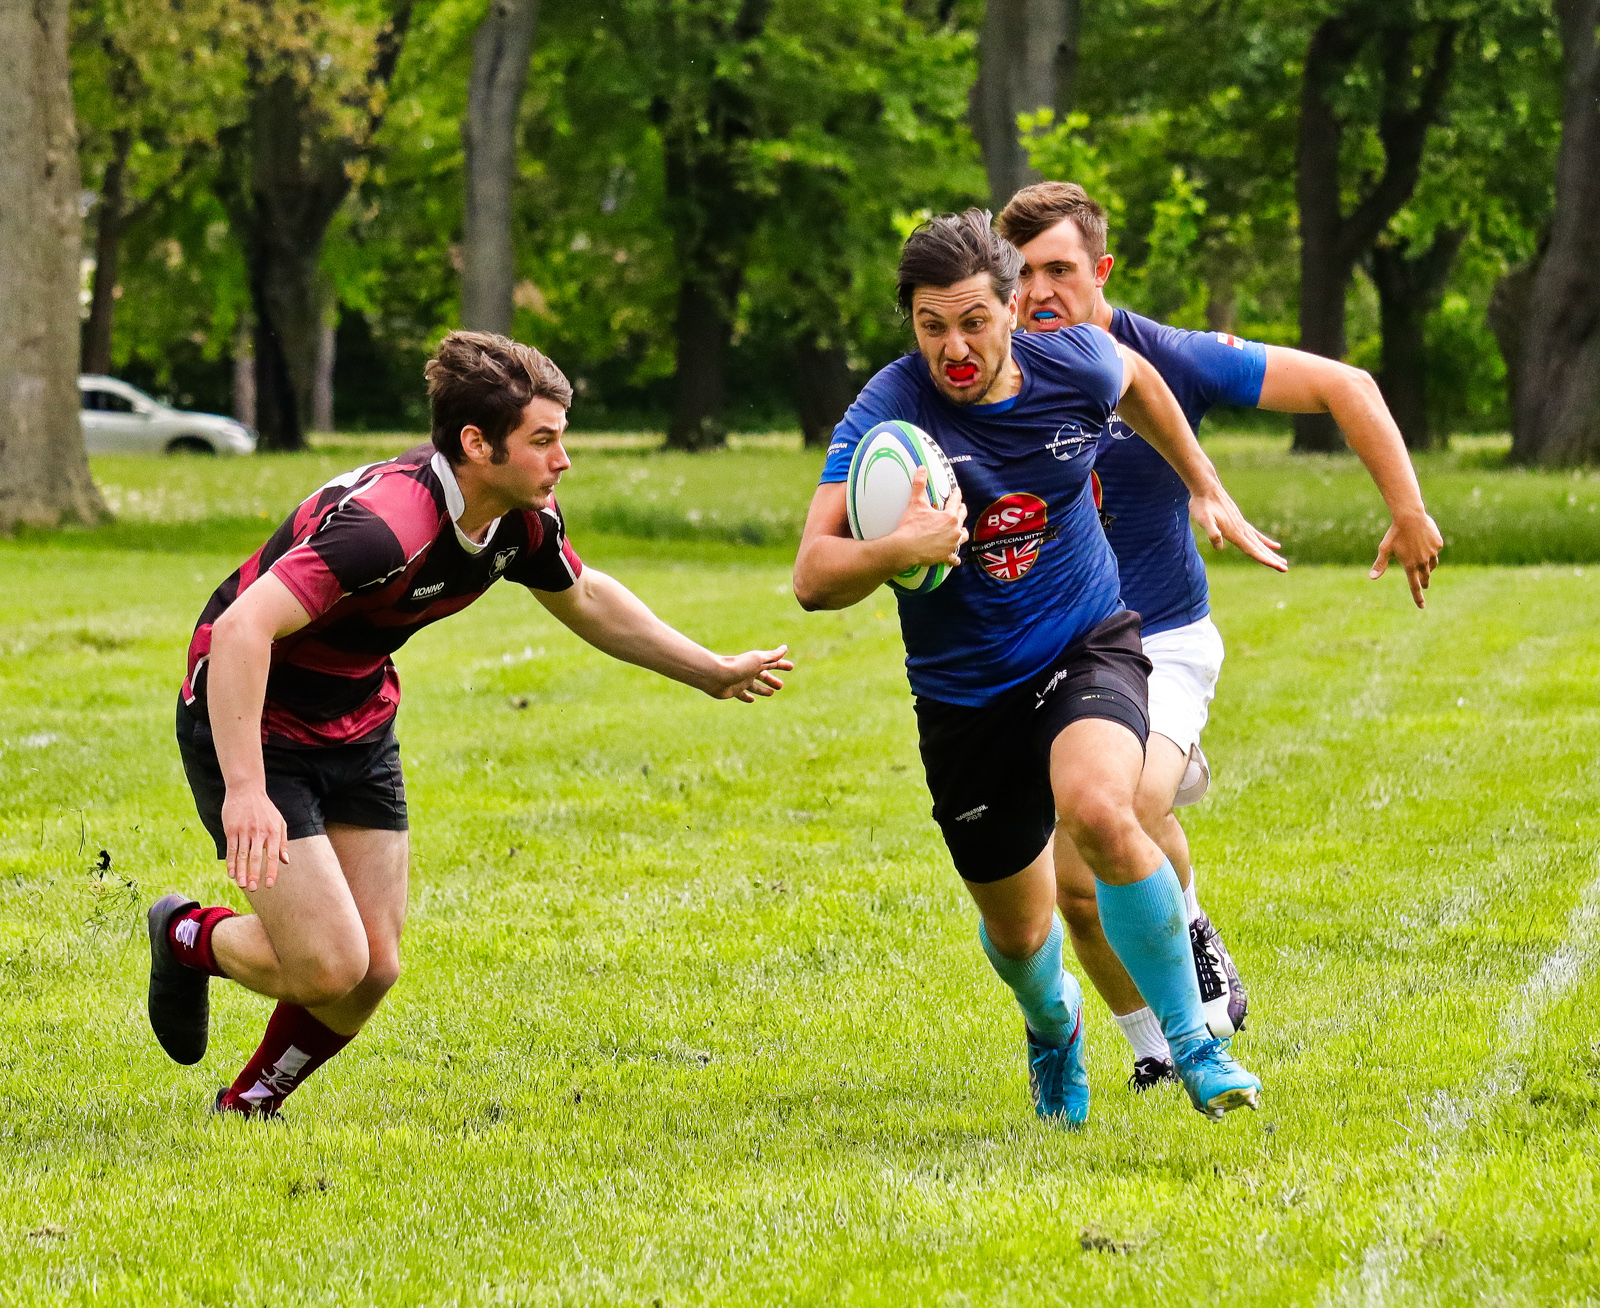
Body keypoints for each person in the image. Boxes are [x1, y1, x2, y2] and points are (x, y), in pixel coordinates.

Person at [146, 330, 793, 1118]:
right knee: (328, 966)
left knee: (376, 967)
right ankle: (183, 934)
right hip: (255, 720)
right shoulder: (385, 528)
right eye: (543, 441)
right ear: (478, 445)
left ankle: (247, 1106)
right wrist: (246, 790)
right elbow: (242, 629)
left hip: (357, 717)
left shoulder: (519, 521)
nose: (563, 461)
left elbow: (587, 597)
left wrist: (711, 671)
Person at [793, 210, 1288, 1125]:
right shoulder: (888, 410)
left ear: (1013, 309)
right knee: (1021, 936)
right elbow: (812, 577)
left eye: (974, 321)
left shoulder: (1076, 363)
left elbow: (1140, 380)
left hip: (1084, 643)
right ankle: (1052, 1024)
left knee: (1100, 810)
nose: (954, 348)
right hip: (964, 695)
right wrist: (897, 547)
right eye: (931, 326)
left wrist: (1204, 482)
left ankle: (1194, 1044)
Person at [997, 182, 1443, 1089]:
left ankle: (1191, 928)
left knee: (1120, 805)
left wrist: (1408, 509)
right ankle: (1155, 1051)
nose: (1037, 292)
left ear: (1101, 270)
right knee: (1075, 892)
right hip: (1054, 654)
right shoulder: (987, 369)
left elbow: (1347, 385)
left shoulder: (1171, 358)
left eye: (1059, 270)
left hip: (1161, 642)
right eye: (1021, 273)